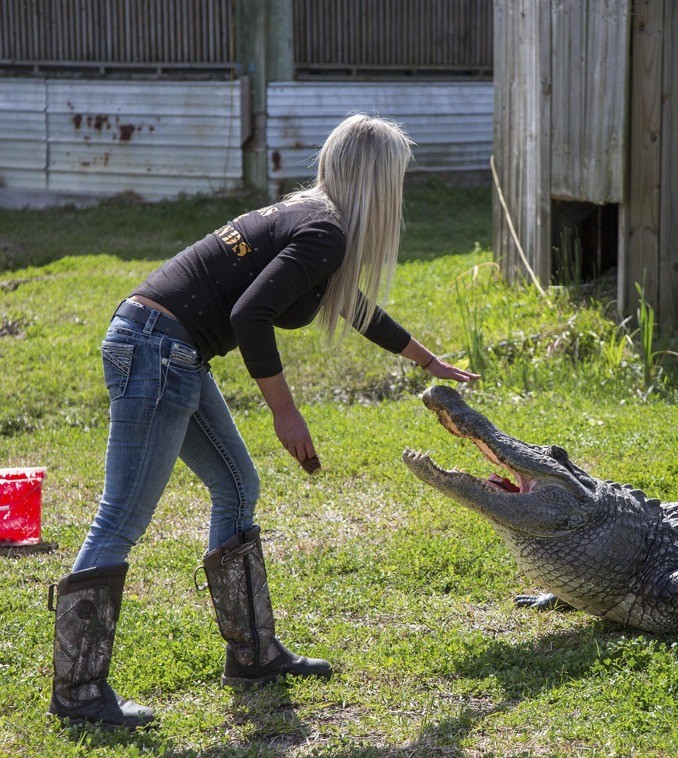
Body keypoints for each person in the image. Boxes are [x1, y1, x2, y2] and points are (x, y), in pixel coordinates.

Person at [46, 114, 480, 729]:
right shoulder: (324, 229)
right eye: (397, 180)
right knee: (120, 517)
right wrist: (286, 413)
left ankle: (252, 655)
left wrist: (427, 359)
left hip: (166, 347)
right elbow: (252, 315)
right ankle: (79, 691)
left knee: (236, 486)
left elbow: (353, 306)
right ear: (377, 183)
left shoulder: (309, 220)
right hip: (157, 350)